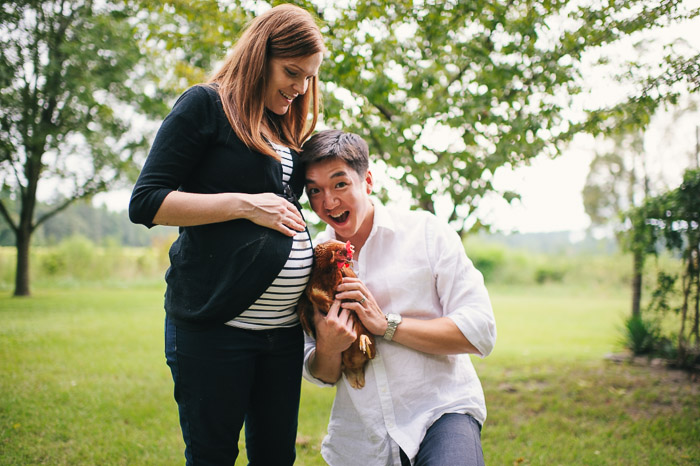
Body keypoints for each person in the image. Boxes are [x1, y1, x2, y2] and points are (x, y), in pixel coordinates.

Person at [128, 5, 325, 465]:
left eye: (308, 79)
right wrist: (245, 204)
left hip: (281, 335)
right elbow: (147, 202)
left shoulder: (282, 123)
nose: (299, 88)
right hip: (215, 328)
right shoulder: (205, 105)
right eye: (292, 72)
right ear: (260, 55)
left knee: (276, 457)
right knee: (213, 455)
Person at [300, 130, 497, 466]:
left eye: (340, 184)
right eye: (314, 191)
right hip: (362, 438)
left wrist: (387, 325)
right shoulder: (311, 261)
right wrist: (329, 348)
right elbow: (322, 373)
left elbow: (480, 331)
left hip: (442, 412)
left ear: (368, 181)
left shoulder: (427, 232)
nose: (328, 202)